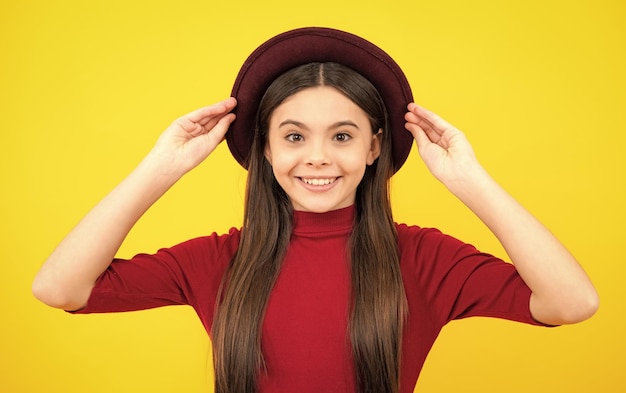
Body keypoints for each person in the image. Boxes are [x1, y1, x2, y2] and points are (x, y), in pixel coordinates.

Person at [32, 27, 598, 393]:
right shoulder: (220, 260)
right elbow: (59, 288)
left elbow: (572, 302)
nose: (319, 158)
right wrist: (161, 168)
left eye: (343, 136)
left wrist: (471, 182)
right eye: (295, 137)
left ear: (375, 147)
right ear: (267, 149)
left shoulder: (423, 258)